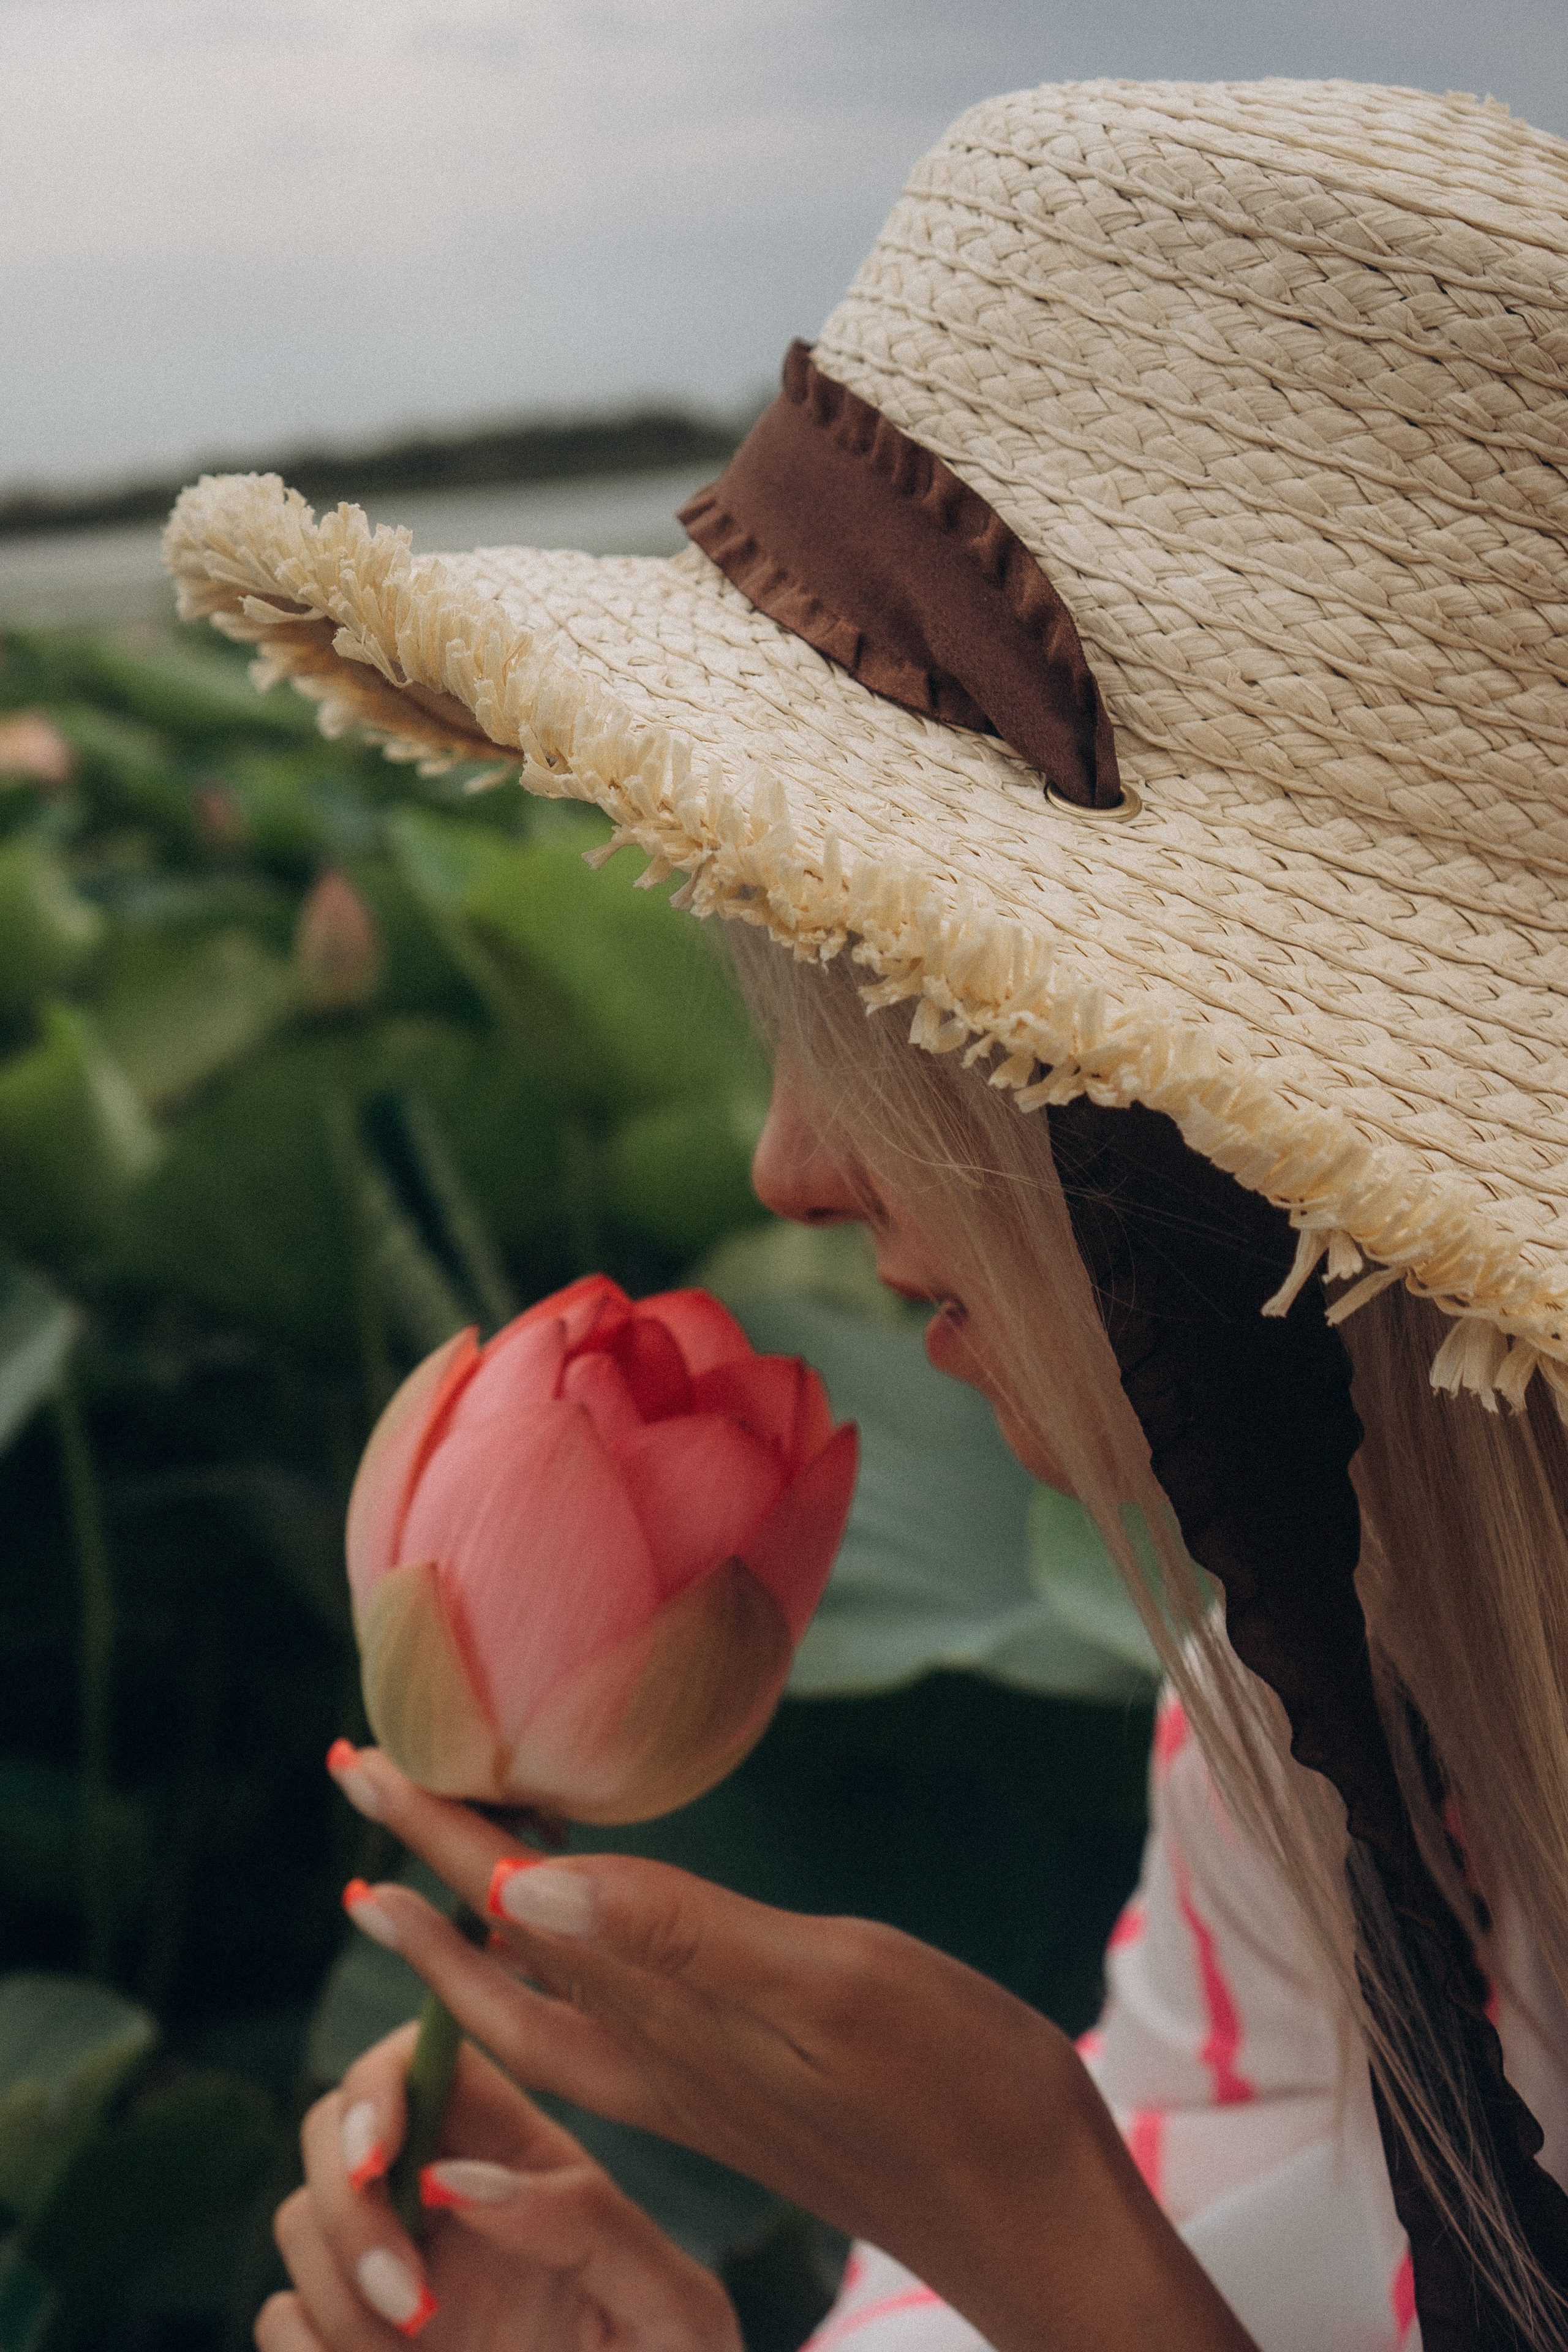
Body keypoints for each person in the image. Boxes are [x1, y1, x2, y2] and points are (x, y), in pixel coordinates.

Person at [165, 77, 1568, 2352]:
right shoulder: (1323, 1705)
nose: (788, 1172)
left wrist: (1030, 2209)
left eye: (918, 1012)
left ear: (1218, 1119)